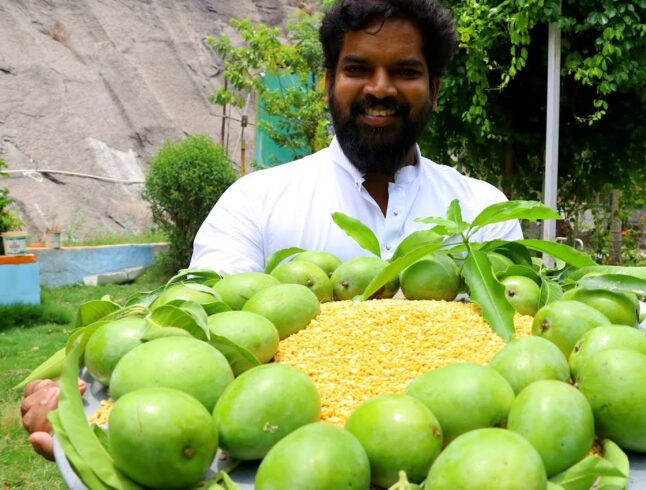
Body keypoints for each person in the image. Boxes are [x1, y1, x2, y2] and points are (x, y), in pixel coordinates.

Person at [21, 0, 522, 461]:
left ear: (433, 88)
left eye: (406, 71)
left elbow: (518, 346)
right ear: (327, 83)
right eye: (358, 68)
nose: (380, 87)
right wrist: (90, 410)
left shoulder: (481, 210)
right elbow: (198, 340)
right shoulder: (255, 202)